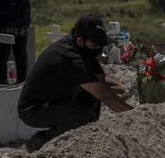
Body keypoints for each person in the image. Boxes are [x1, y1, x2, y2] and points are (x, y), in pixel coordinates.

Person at [18, 15, 133, 152]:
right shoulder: (69, 56)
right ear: (80, 41)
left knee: (92, 97)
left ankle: (84, 139)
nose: (98, 50)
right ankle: (40, 142)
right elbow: (105, 95)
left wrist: (128, 90)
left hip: (57, 100)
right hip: (35, 109)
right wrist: (133, 115)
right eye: (94, 45)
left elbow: (101, 79)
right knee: (85, 117)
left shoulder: (85, 51)